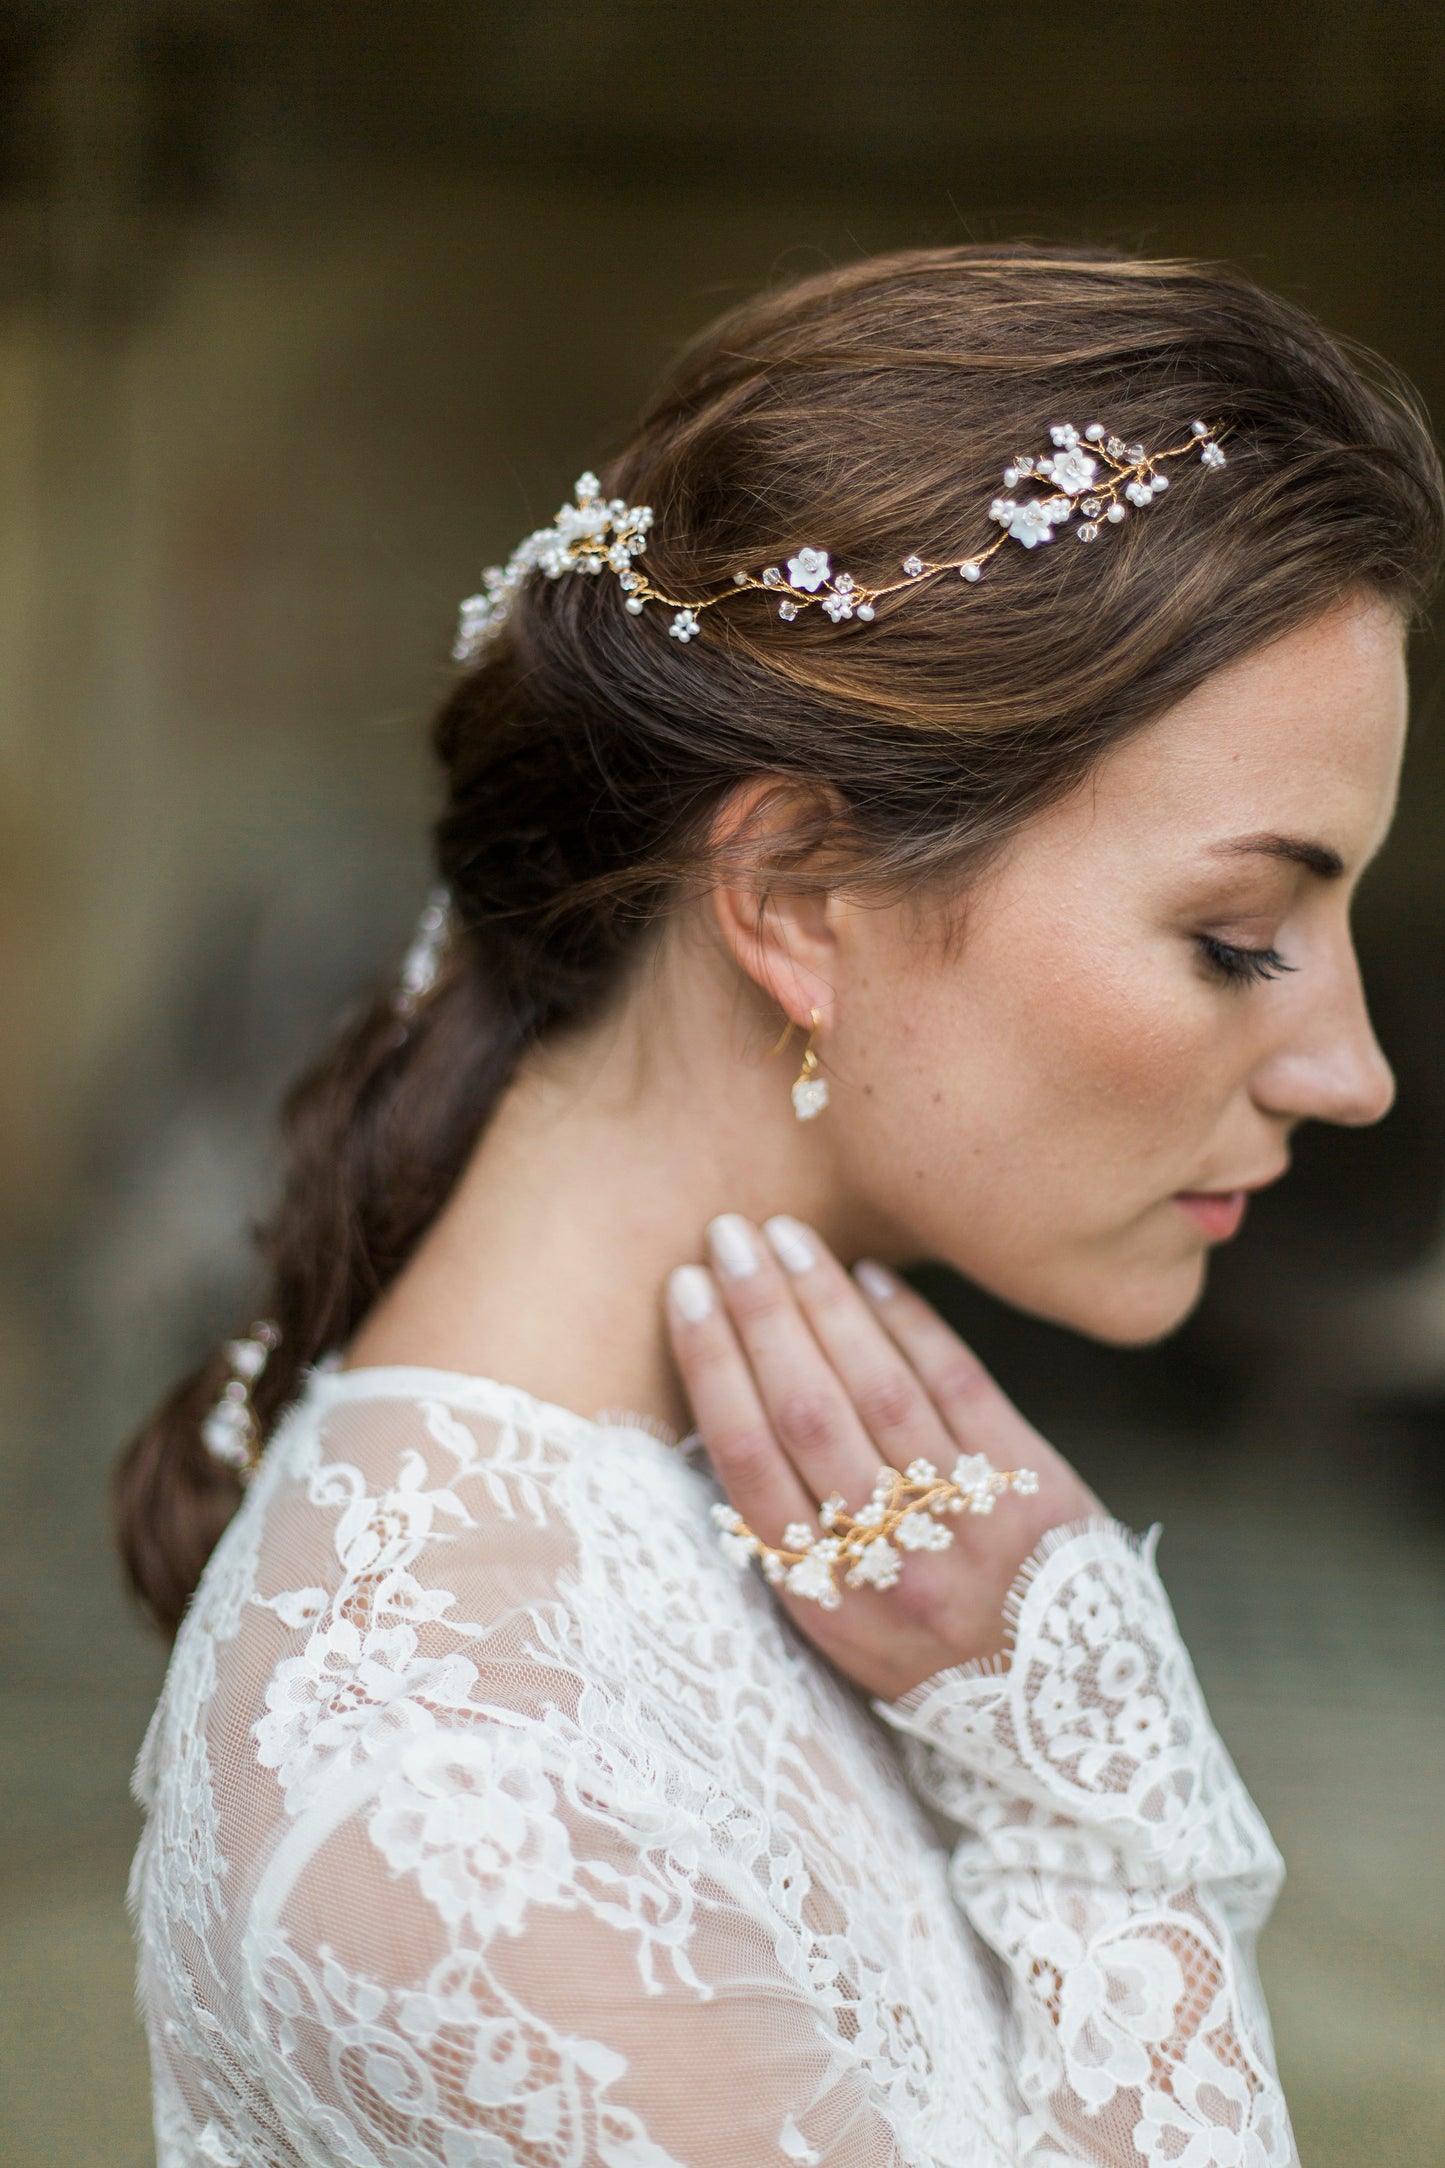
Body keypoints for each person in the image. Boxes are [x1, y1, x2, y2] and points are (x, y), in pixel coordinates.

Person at [116, 245, 1442, 2167]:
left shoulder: (822, 1535)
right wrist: (1106, 1827)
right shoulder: (468, 1802)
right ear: (796, 902)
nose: (1356, 1069)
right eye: (1237, 938)